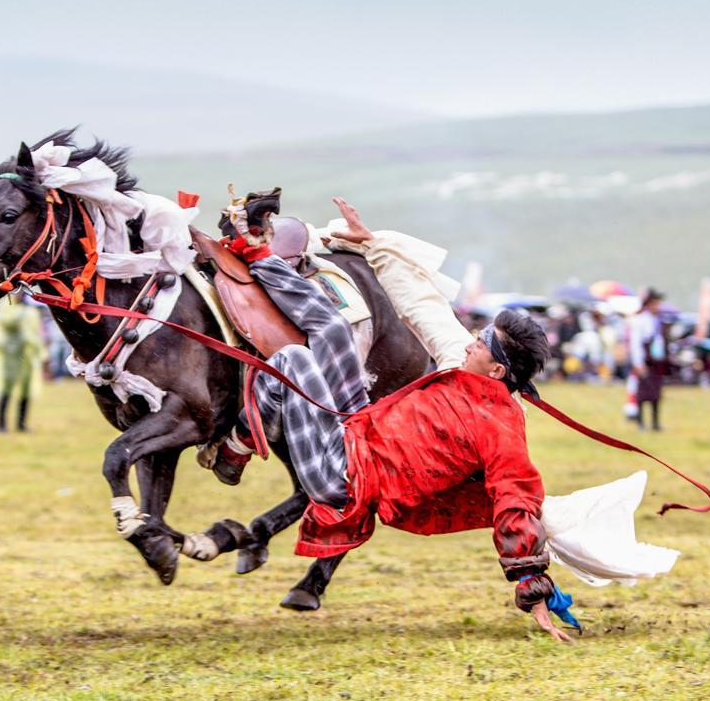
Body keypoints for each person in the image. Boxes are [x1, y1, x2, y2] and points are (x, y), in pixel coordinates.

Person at [211, 198, 584, 641]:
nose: (471, 341)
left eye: (482, 341)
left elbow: (516, 502)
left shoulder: (501, 426)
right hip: (354, 426)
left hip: (344, 478)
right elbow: (423, 306)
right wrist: (372, 243)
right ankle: (256, 252)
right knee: (330, 329)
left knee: (294, 359)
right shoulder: (458, 362)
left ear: (498, 370)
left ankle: (237, 443)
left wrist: (533, 587)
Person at [0, 293, 46, 432]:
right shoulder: (6, 307)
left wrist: (42, 353)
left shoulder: (30, 310)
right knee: (5, 388)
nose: (22, 296)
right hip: (10, 354)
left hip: (27, 355)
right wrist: (22, 311)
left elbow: (36, 333)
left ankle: (21, 424)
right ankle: (1, 424)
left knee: (26, 390)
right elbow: (9, 323)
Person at [627, 288, 667, 430]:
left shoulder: (657, 320)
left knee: (655, 394)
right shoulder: (640, 320)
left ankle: (655, 423)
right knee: (643, 394)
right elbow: (636, 343)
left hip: (656, 361)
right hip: (645, 361)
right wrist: (638, 363)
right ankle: (641, 423)